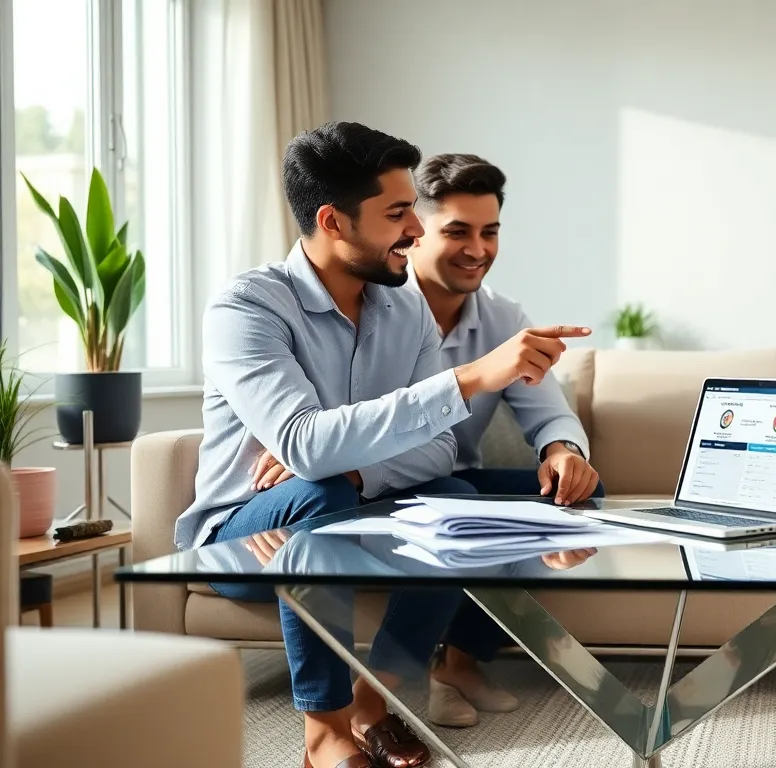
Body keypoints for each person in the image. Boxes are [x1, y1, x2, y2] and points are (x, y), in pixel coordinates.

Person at [179, 121, 590, 768]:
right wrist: (465, 380)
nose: (417, 230)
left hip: (357, 513)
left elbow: (438, 453)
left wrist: (349, 464)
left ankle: (379, 698)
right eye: (399, 213)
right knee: (317, 494)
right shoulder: (247, 310)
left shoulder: (403, 308)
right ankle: (325, 731)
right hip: (246, 539)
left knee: (453, 495)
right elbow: (307, 448)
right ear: (334, 222)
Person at [404, 153, 604, 505]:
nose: (478, 250)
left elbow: (550, 415)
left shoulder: (504, 318)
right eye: (457, 232)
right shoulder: (376, 309)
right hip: (384, 479)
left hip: (460, 478)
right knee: (454, 492)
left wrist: (562, 452)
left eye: (490, 233)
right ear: (415, 234)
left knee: (583, 491)